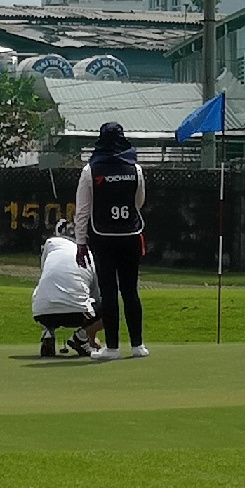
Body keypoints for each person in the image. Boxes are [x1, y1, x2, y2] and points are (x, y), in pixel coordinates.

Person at [72, 120, 149, 358]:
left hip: (102, 237)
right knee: (130, 291)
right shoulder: (135, 169)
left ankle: (113, 348)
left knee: (108, 291)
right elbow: (139, 202)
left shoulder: (90, 170)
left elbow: (82, 210)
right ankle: (138, 346)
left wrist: (80, 242)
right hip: (130, 235)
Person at [31, 219, 100, 357]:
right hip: (77, 315)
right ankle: (81, 337)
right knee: (108, 305)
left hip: (42, 313)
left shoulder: (50, 244)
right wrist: (92, 336)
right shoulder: (89, 254)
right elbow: (96, 296)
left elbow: (45, 272)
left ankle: (47, 334)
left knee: (43, 291)